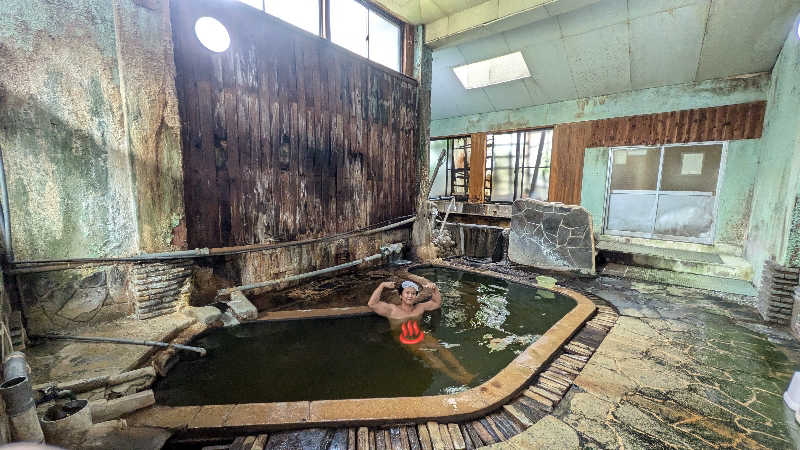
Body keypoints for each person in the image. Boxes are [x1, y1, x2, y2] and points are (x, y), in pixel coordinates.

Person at [367, 279, 474, 384]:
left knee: (442, 348)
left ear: (416, 296)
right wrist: (382, 286)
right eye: (407, 293)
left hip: (420, 335)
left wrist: (435, 289)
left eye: (413, 293)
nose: (410, 296)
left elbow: (437, 303)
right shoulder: (392, 310)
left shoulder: (420, 307)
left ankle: (465, 373)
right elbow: (372, 304)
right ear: (400, 295)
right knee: (428, 355)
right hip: (404, 338)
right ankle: (456, 377)